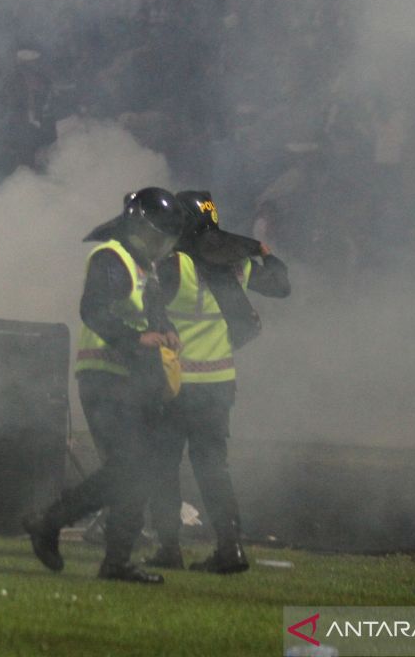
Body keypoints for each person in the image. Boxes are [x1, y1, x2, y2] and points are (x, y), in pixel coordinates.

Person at [22, 187, 186, 584]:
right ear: (136, 227)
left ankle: (116, 561)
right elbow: (92, 309)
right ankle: (50, 522)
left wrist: (167, 331)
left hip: (134, 380)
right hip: (105, 377)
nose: (160, 246)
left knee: (138, 471)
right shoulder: (111, 257)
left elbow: (155, 313)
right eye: (155, 237)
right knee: (130, 467)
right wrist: (135, 340)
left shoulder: (145, 267)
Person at [144, 190, 290, 573]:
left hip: (174, 386)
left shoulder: (175, 265)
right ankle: (230, 549)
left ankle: (168, 548)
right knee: (213, 469)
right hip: (219, 385)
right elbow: (281, 286)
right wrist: (265, 252)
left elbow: (144, 305)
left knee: (164, 466)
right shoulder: (235, 266)